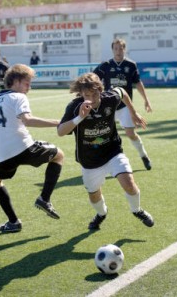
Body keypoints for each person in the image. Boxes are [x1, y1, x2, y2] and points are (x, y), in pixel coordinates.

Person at [0, 64, 64, 233]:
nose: (29, 88)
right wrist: (58, 122)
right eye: (27, 83)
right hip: (24, 148)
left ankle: (13, 222)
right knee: (59, 155)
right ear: (17, 81)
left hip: (1, 156)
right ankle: (44, 199)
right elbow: (27, 120)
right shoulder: (18, 97)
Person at [57, 73, 154, 230]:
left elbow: (122, 92)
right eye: (87, 95)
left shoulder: (109, 98)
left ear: (100, 90)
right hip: (89, 160)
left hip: (113, 152)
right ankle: (101, 214)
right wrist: (79, 118)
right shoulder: (75, 106)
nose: (92, 98)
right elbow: (60, 132)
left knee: (128, 182)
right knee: (94, 195)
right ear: (81, 94)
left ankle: (137, 210)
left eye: (95, 93)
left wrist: (133, 112)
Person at [93, 38, 152, 170]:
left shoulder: (131, 65)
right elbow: (93, 77)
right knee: (103, 134)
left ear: (124, 49)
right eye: (116, 48)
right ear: (112, 50)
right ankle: (103, 162)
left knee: (130, 133)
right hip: (109, 106)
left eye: (121, 48)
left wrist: (146, 100)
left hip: (125, 106)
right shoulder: (106, 65)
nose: (118, 51)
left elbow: (137, 83)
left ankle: (144, 156)